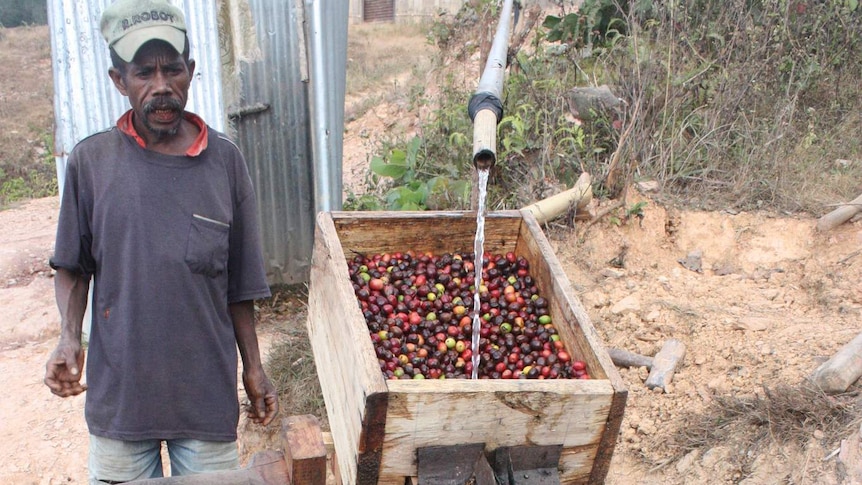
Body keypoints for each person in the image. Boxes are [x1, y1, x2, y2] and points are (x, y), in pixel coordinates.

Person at [43, 0, 279, 482]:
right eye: (143, 73)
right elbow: (72, 265)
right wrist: (69, 336)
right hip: (122, 401)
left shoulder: (225, 163)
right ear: (118, 80)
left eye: (172, 70)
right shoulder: (92, 164)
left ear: (191, 72)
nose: (161, 87)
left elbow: (239, 284)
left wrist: (253, 368)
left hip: (205, 401)